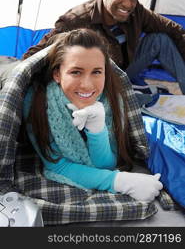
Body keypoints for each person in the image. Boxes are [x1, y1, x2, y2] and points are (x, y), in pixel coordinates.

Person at [23, 28, 163, 202]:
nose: (87, 85)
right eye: (76, 72)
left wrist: (97, 129)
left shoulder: (112, 99)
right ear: (57, 74)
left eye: (96, 72)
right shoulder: (36, 101)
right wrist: (118, 181)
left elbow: (105, 164)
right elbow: (57, 166)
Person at [22, 0, 185, 94]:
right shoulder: (77, 19)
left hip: (125, 71)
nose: (128, 4)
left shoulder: (137, 12)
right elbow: (38, 52)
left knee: (160, 40)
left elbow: (174, 30)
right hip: (96, 81)